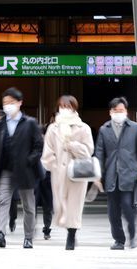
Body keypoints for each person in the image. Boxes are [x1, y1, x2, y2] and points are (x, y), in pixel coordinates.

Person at [0, 87, 44, 249]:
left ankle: (28, 237)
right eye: (5, 103)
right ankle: (0, 234)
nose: (8, 106)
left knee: (28, 205)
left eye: (11, 102)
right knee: (3, 201)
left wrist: (29, 161)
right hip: (5, 169)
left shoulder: (30, 123)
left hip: (25, 170)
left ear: (20, 103)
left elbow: (38, 146)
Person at [40, 95, 94, 250]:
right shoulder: (53, 128)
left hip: (78, 173)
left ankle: (72, 234)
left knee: (74, 206)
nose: (65, 109)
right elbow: (47, 151)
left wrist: (71, 145)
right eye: (62, 106)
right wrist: (53, 165)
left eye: (68, 107)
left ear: (74, 108)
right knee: (60, 205)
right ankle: (69, 229)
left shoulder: (83, 128)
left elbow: (88, 150)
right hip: (59, 174)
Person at [95, 97, 137, 250]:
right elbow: (99, 152)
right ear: (110, 112)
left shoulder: (136, 128)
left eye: (121, 110)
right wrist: (98, 173)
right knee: (112, 211)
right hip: (111, 175)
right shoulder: (104, 129)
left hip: (129, 174)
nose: (118, 113)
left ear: (126, 111)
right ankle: (119, 240)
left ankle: (132, 236)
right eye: (115, 110)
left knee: (127, 206)